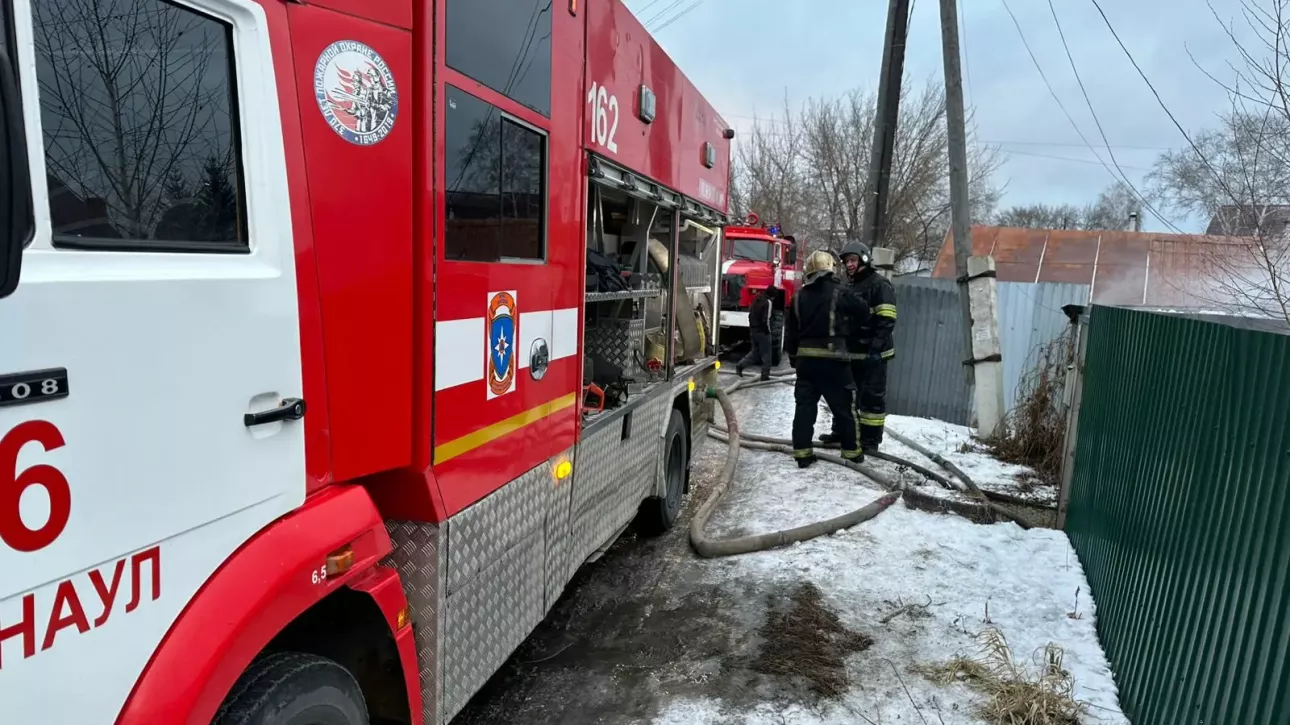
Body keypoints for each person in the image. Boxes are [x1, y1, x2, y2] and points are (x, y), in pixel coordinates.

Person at [783, 250, 871, 468]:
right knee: (845, 408)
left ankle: (803, 454)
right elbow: (863, 311)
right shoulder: (840, 292)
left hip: (805, 363)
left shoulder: (798, 296)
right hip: (834, 362)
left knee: (804, 409)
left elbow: (791, 334)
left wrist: (794, 359)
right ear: (831, 269)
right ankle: (852, 452)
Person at [820, 239, 897, 453]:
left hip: (874, 354)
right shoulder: (850, 286)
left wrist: (875, 348)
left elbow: (887, 319)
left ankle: (870, 441)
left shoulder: (880, 285)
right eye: (846, 261)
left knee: (872, 399)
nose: (849, 265)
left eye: (853, 260)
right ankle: (841, 433)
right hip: (852, 352)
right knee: (844, 396)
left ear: (864, 259)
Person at [736, 285, 777, 381]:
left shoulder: (757, 299)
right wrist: (768, 332)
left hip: (753, 330)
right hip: (763, 332)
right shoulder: (768, 302)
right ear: (772, 296)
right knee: (767, 354)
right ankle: (765, 375)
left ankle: (741, 365)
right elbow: (766, 319)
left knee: (755, 352)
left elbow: (750, 314)